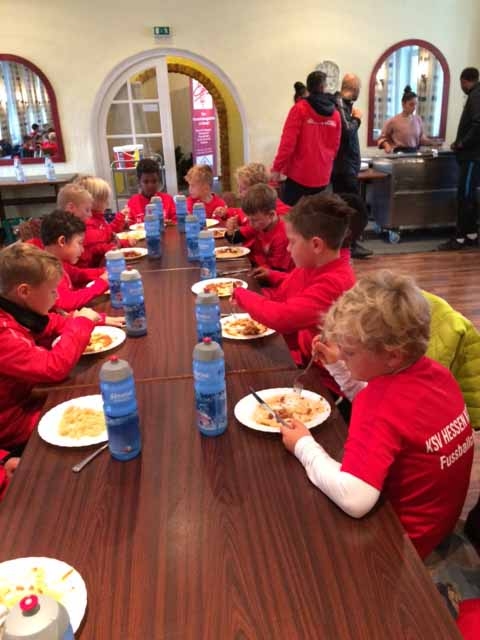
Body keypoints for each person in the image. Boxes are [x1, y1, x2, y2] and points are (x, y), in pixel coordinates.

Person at [280, 271, 474, 560]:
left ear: (393, 355)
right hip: (439, 527)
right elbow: (391, 417)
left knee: (293, 532)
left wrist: (304, 446)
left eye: (349, 352)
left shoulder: (379, 403)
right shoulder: (437, 374)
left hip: (403, 545)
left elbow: (354, 499)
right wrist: (339, 366)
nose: (342, 355)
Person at [232, 193, 356, 390]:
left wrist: (240, 294)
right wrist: (273, 276)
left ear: (316, 245)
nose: (288, 249)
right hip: (304, 355)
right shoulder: (313, 265)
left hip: (326, 378)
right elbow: (295, 287)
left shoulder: (335, 283)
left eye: (292, 241)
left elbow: (282, 317)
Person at [0, 243, 97, 452]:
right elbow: (53, 367)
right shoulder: (3, 333)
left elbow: (50, 323)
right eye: (53, 291)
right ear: (24, 291)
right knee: (93, 419)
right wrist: (82, 323)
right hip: (13, 427)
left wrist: (96, 319)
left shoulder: (16, 310)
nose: (57, 297)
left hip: (27, 399)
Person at [271, 70, 341, 205]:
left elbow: (288, 143)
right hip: (323, 177)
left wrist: (276, 168)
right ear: (323, 87)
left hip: (299, 176)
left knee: (292, 214)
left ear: (308, 88)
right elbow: (335, 147)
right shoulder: (335, 114)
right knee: (317, 215)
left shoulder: (299, 109)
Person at [40, 210, 122, 316]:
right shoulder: (47, 270)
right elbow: (67, 302)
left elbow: (79, 274)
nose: (82, 250)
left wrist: (108, 271)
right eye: (79, 243)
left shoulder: (57, 261)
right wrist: (102, 283)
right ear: (62, 241)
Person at [438, 67, 480, 251]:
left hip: (471, 157)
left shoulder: (476, 96)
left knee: (464, 197)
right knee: (469, 196)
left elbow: (478, 124)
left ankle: (460, 238)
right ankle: (472, 234)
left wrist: (461, 143)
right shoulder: (475, 94)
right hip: (472, 156)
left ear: (464, 81)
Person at [331, 73, 372, 259]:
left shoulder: (344, 104)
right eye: (359, 89)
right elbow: (347, 131)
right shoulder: (340, 103)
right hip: (343, 168)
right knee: (350, 209)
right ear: (354, 89)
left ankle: (349, 244)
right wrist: (357, 119)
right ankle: (350, 245)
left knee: (348, 207)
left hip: (346, 166)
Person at [220, 162, 290, 245]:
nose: (239, 192)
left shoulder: (263, 215)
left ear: (257, 190)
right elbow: (241, 212)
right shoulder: (263, 203)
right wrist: (227, 212)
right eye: (239, 187)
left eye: (243, 189)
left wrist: (230, 233)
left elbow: (236, 238)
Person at [73, 175, 132, 267]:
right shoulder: (87, 223)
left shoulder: (99, 218)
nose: (107, 203)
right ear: (92, 202)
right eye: (104, 200)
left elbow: (109, 233)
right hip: (94, 267)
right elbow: (96, 248)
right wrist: (118, 244)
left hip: (104, 261)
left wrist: (120, 218)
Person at [240, 183, 294, 275]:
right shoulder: (263, 225)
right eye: (249, 220)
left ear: (271, 215)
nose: (251, 224)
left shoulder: (282, 236)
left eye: (254, 220)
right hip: (263, 268)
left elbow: (276, 271)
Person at [377, 86, 434, 153]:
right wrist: (387, 146)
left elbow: (421, 138)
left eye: (415, 104)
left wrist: (432, 142)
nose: (414, 107)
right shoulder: (393, 121)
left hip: (414, 154)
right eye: (411, 105)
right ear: (403, 104)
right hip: (399, 155)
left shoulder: (418, 120)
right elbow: (382, 138)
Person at [127, 158, 176, 225]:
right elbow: (129, 225)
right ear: (139, 182)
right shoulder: (133, 202)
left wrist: (170, 223)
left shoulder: (168, 200)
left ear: (159, 180)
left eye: (154, 181)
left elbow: (176, 222)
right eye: (146, 182)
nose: (150, 185)